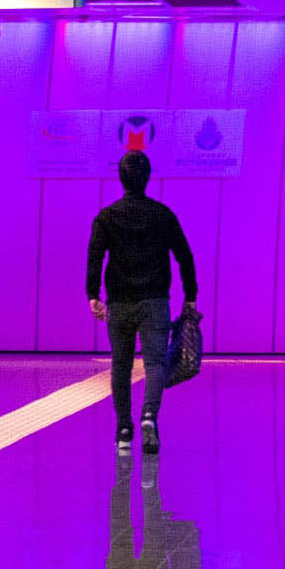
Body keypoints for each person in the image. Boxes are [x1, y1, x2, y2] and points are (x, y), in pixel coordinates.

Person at [84, 147, 197, 456]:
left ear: (121, 179)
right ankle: (149, 415)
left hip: (119, 303)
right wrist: (191, 296)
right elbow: (185, 256)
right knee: (156, 363)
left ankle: (123, 430)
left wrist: (93, 294)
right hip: (154, 302)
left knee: (120, 366)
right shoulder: (163, 215)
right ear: (147, 178)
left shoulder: (106, 217)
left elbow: (95, 256)